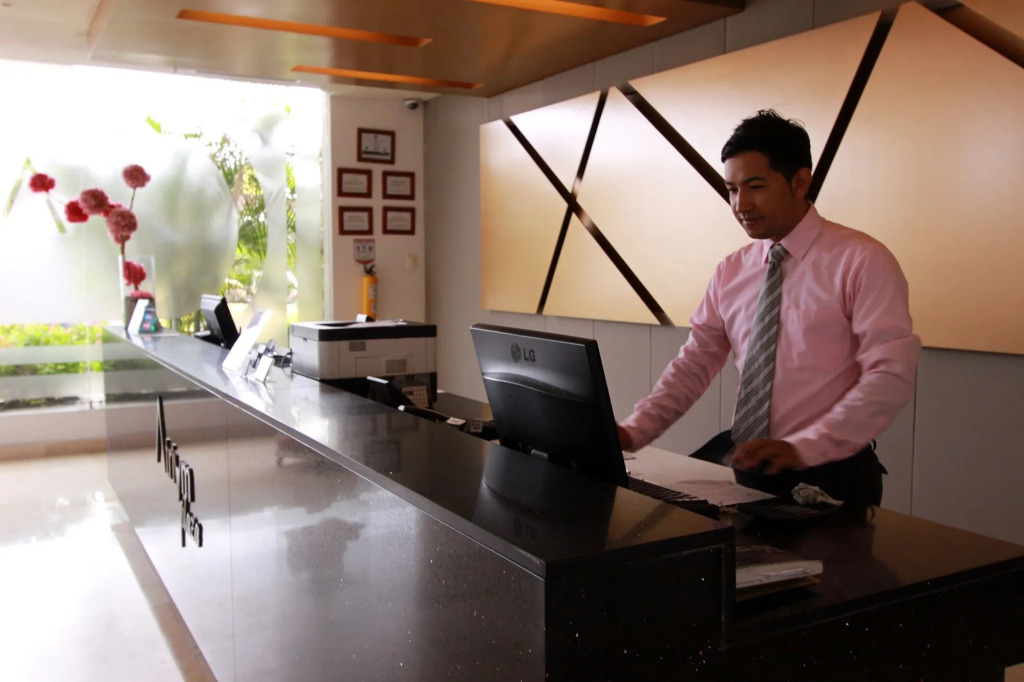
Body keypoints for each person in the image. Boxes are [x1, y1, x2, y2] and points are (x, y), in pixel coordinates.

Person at [617, 110, 920, 507]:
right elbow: (695, 362)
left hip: (831, 473)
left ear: (800, 182)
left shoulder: (861, 260)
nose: (740, 204)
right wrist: (633, 431)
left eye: (755, 186)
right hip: (749, 461)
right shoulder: (731, 270)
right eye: (732, 189)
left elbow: (889, 376)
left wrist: (803, 447)